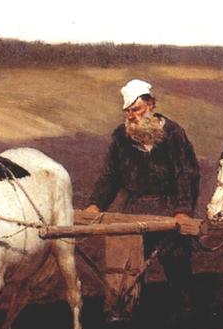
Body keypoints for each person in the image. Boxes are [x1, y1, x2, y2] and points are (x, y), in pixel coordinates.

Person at [84, 79, 200, 292]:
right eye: (127, 111)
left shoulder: (174, 134)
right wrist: (96, 204)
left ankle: (184, 309)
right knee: (125, 264)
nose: (132, 116)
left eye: (136, 109)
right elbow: (110, 175)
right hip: (134, 208)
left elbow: (186, 174)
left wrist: (183, 210)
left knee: (176, 260)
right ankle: (125, 310)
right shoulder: (121, 136)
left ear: (151, 105)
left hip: (169, 208)